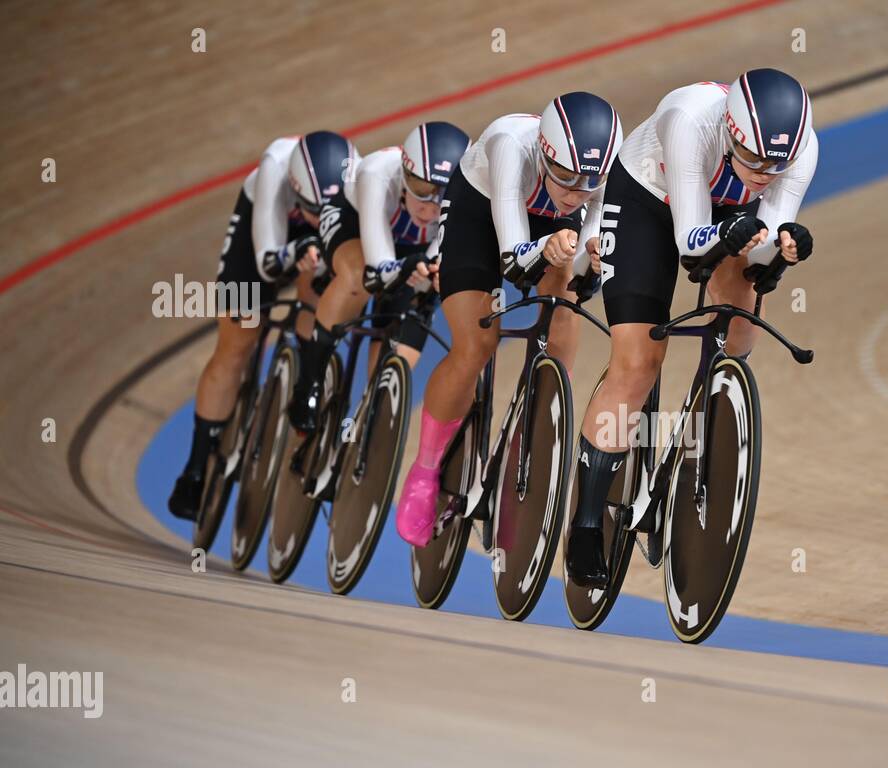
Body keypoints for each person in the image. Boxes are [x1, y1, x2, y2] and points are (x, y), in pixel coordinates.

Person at [564, 69, 818, 587]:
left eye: (777, 167)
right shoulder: (689, 122)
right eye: (753, 161)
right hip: (645, 201)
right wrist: (739, 233)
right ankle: (587, 522)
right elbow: (692, 246)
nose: (766, 175)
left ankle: (692, 440)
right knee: (638, 364)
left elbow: (762, 241)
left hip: (725, 213)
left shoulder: (802, 148)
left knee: (741, 333)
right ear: (731, 133)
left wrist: (783, 248)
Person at [392, 92, 624, 548]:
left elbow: (591, 243)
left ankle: (543, 414)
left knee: (565, 300)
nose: (575, 191)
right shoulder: (510, 145)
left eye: (587, 184)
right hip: (480, 217)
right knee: (476, 344)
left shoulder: (604, 175)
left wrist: (589, 258)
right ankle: (424, 471)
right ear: (545, 152)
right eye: (564, 177)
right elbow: (514, 255)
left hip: (548, 226)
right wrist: (552, 249)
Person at [168, 131, 356, 520]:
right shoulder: (274, 171)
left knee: (319, 297)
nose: (318, 218)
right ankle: (195, 467)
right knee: (238, 340)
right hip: (266, 234)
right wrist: (296, 251)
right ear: (294, 186)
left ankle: (307, 379)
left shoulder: (357, 181)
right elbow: (269, 260)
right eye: (311, 208)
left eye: (325, 211)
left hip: (320, 238)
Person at [288, 121, 471, 432]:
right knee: (359, 276)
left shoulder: (465, 201)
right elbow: (378, 270)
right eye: (422, 189)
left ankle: (369, 414)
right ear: (404, 171)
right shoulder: (377, 173)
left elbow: (434, 263)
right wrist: (415, 268)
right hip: (354, 226)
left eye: (442, 194)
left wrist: (433, 274)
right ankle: (310, 379)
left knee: (418, 302)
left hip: (410, 250)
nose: (429, 208)